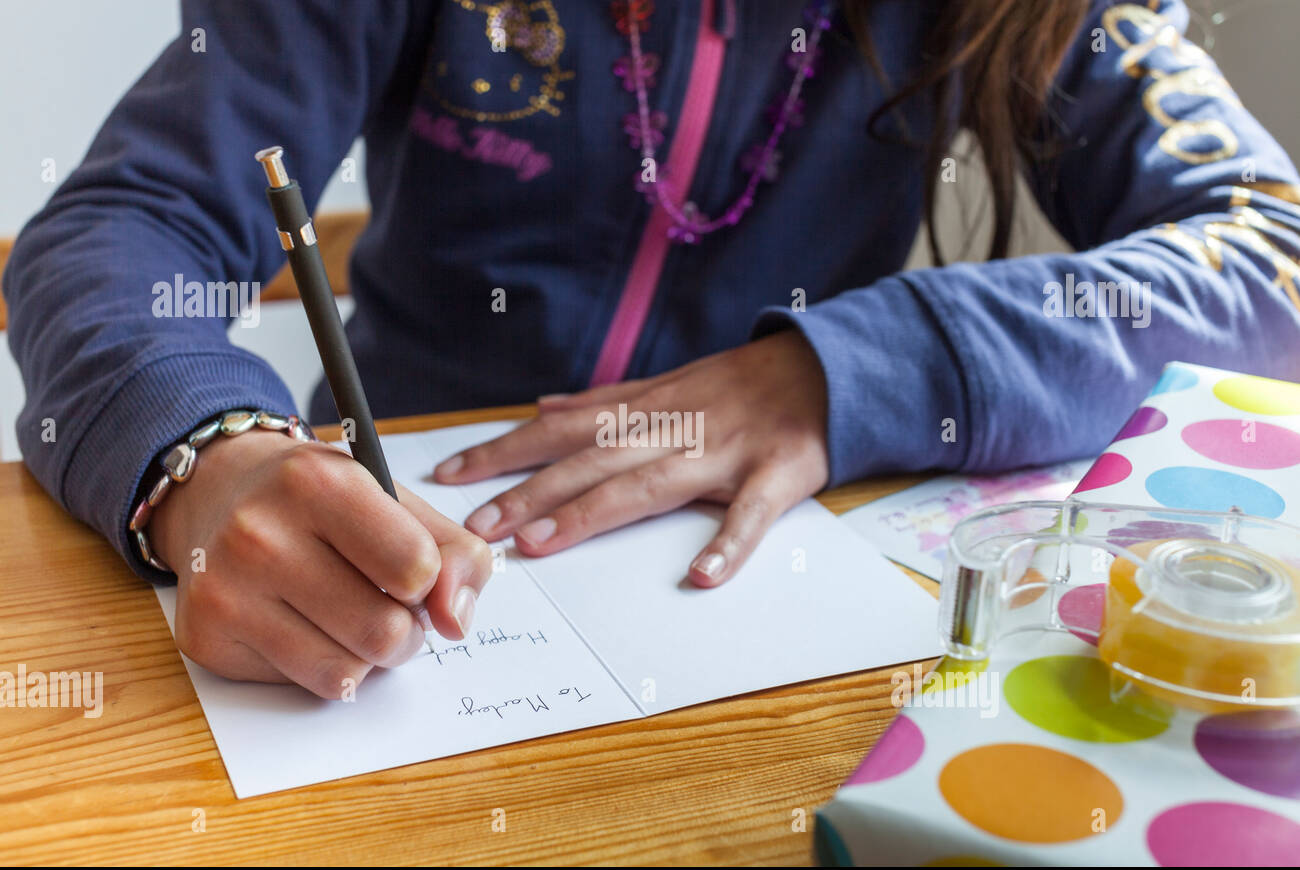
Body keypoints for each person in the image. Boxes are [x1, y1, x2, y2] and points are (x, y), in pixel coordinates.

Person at [6, 0, 1299, 698]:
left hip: (788, 633)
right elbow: (122, 223)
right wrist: (204, 455)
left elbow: (1271, 255)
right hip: (395, 572)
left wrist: (840, 373)